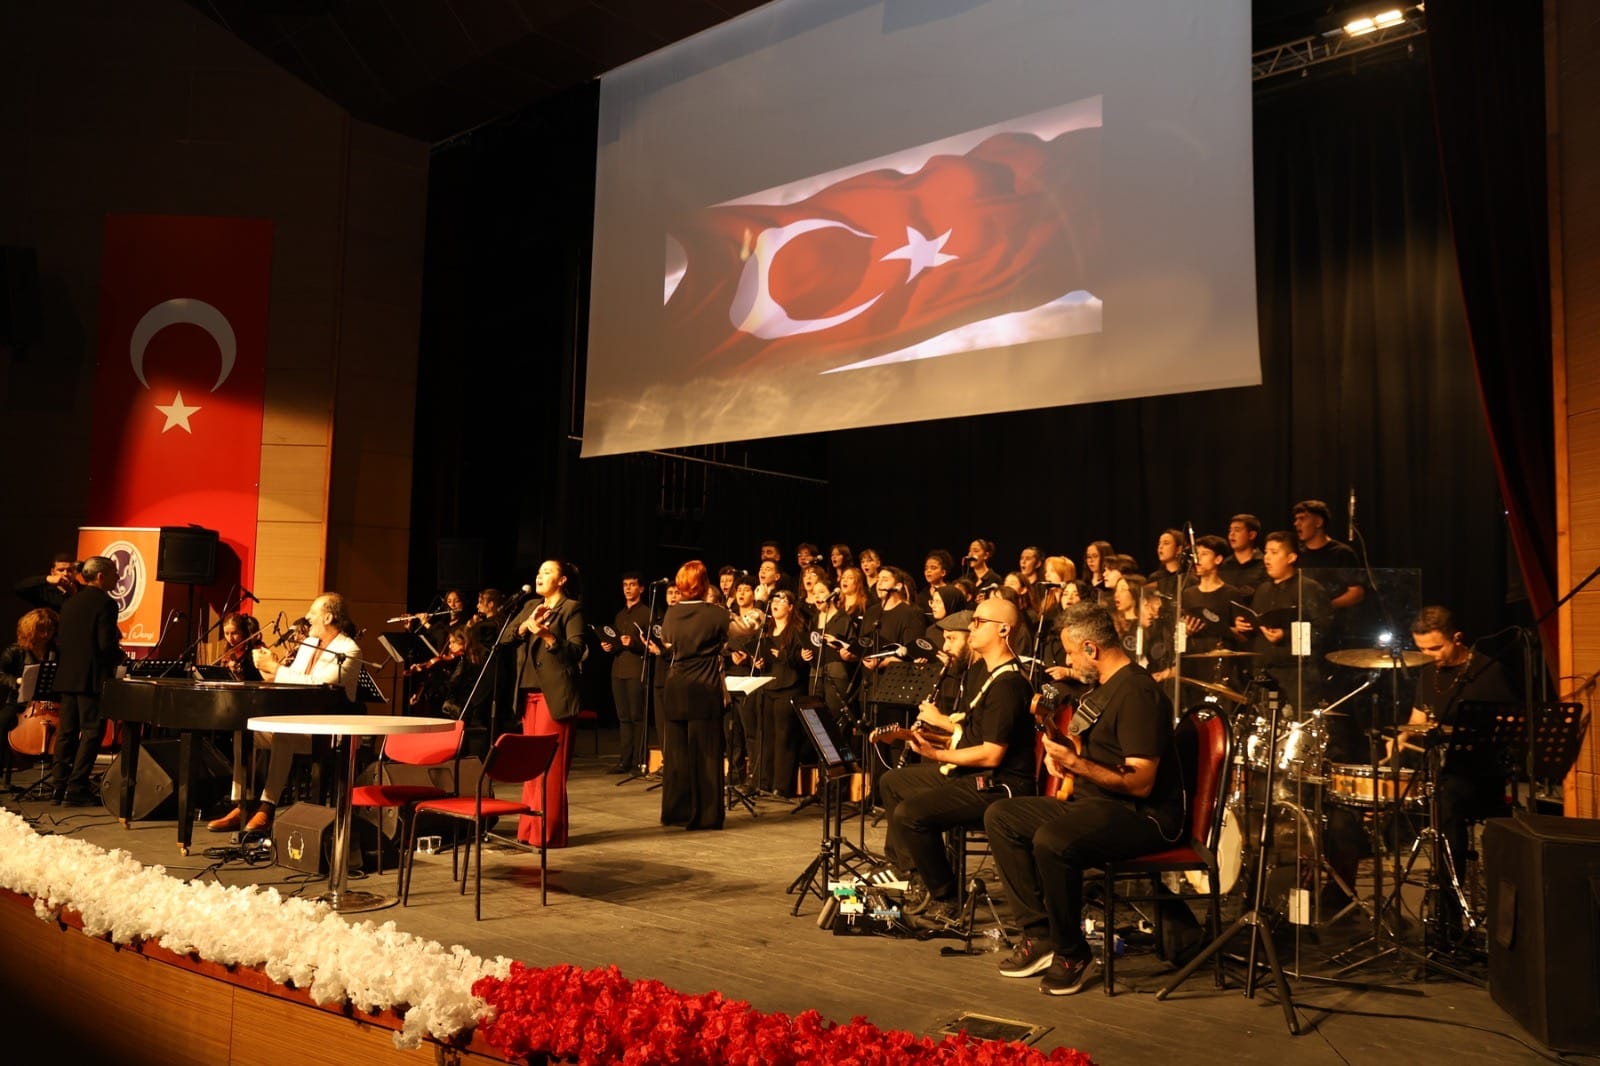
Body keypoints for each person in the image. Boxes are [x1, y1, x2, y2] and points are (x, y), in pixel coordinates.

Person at [984, 602, 1184, 995]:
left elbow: (1141, 783)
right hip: (1096, 804)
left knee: (1053, 840)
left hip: (1140, 815)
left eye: (1072, 654)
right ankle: (1040, 933)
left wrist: (1076, 762)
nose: (1069, 662)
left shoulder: (1138, 692)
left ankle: (1072, 952)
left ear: (1091, 649)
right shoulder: (1104, 687)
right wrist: (1069, 762)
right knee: (1001, 815)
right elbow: (1098, 752)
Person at [878, 596, 1037, 927]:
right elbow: (970, 736)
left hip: (1000, 783)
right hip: (973, 771)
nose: (972, 627)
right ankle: (920, 873)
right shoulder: (987, 674)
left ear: (1004, 630)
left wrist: (937, 754)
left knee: (912, 814)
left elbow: (992, 753)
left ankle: (946, 896)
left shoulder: (1009, 683)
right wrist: (918, 739)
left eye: (979, 622)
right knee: (893, 782)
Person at [1393, 607, 1516, 941]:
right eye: (1422, 650)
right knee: (1437, 798)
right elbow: (1417, 720)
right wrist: (1399, 741)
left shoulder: (1489, 671)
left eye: (1436, 648)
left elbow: (1510, 730)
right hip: (1443, 775)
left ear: (1457, 638)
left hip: (1480, 776)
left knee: (1446, 805)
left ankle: (1449, 918)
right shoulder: (1427, 672)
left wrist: (1455, 732)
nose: (1430, 657)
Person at [215, 592, 362, 831]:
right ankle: (243, 802)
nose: (307, 617)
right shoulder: (309, 644)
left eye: (313, 613)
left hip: (326, 730)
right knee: (245, 729)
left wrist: (276, 669)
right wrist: (268, 667)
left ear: (327, 617)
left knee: (285, 733)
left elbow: (317, 686)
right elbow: (289, 680)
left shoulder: (349, 649)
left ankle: (267, 807)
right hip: (299, 724)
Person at [501, 559, 586, 848]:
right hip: (527, 693)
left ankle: (548, 835)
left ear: (562, 580)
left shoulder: (571, 608)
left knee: (551, 769)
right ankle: (528, 831)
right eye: (538, 571)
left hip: (555, 695)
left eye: (547, 572)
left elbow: (575, 652)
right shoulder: (529, 607)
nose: (540, 576)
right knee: (531, 767)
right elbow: (503, 641)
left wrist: (548, 635)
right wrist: (526, 625)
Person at [659, 560, 747, 830]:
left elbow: (667, 642)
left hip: (676, 685)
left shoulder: (671, 613)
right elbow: (741, 634)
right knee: (706, 754)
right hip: (704, 686)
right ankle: (705, 815)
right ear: (704, 583)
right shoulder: (716, 613)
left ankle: (677, 812)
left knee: (677, 753)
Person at [49, 556, 125, 805]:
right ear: (101, 576)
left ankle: (58, 786)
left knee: (66, 732)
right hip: (91, 676)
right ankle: (77, 787)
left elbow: (62, 641)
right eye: (114, 572)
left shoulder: (70, 602)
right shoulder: (105, 603)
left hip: (67, 674)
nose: (117, 577)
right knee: (92, 731)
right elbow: (105, 645)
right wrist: (120, 656)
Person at [753, 588, 809, 798]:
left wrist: (783, 654)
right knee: (767, 736)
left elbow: (802, 661)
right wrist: (759, 662)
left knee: (785, 738)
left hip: (789, 687)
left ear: (791, 607)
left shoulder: (796, 630)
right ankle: (764, 782)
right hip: (769, 685)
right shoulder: (766, 630)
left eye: (782, 600)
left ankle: (782, 786)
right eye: (774, 599)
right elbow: (761, 655)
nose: (776, 603)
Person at [1, 607, 59, 791]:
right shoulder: (16, 651)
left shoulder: (56, 650)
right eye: (42, 630)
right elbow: (1, 673)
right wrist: (17, 680)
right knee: (1, 723)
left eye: (49, 630)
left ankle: (59, 777)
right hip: (20, 704)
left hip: (50, 703)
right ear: (30, 630)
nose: (46, 634)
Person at [600, 572, 653, 774]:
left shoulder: (647, 613)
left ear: (641, 588)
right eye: (625, 585)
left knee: (637, 717)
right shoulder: (620, 615)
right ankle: (625, 760)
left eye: (632, 585)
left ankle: (640, 761)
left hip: (636, 669)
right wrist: (609, 646)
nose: (628, 588)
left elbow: (653, 646)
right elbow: (617, 642)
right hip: (618, 669)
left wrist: (635, 644)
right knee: (623, 717)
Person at [1219, 514, 1267, 595]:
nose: (1231, 534)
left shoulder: (1265, 564)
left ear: (1252, 535)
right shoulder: (1224, 565)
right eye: (1230, 530)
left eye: (1237, 530)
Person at [14, 553, 79, 612]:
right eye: (61, 570)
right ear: (53, 572)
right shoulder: (44, 590)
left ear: (75, 572)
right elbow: (18, 588)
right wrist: (46, 578)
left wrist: (74, 595)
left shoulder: (82, 590)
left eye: (69, 570)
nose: (65, 574)